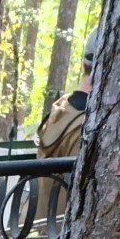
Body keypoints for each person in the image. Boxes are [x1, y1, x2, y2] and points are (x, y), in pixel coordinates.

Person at [35, 27, 94, 226]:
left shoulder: (61, 109)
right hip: (59, 234)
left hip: (34, 227)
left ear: (83, 65)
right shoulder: (89, 125)